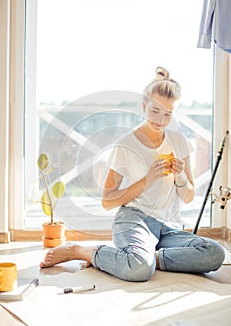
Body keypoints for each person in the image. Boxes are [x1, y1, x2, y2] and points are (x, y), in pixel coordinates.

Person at [40, 66, 225, 281]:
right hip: (134, 220)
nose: (160, 120)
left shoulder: (178, 141)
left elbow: (189, 196)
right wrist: (148, 179)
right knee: (139, 270)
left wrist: (180, 176)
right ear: (144, 106)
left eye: (168, 114)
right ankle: (79, 250)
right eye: (155, 111)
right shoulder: (126, 144)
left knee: (215, 253)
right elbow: (107, 201)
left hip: (170, 228)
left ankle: (144, 258)